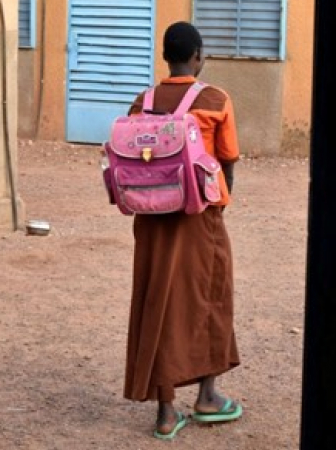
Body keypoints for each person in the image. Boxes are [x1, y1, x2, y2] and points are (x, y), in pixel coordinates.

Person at [122, 21, 242, 440]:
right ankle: (208, 396)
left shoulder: (142, 101)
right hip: (198, 216)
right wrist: (220, 205)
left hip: (150, 219)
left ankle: (166, 413)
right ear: (197, 56)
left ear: (165, 57)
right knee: (210, 297)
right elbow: (227, 160)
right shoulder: (214, 99)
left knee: (159, 302)